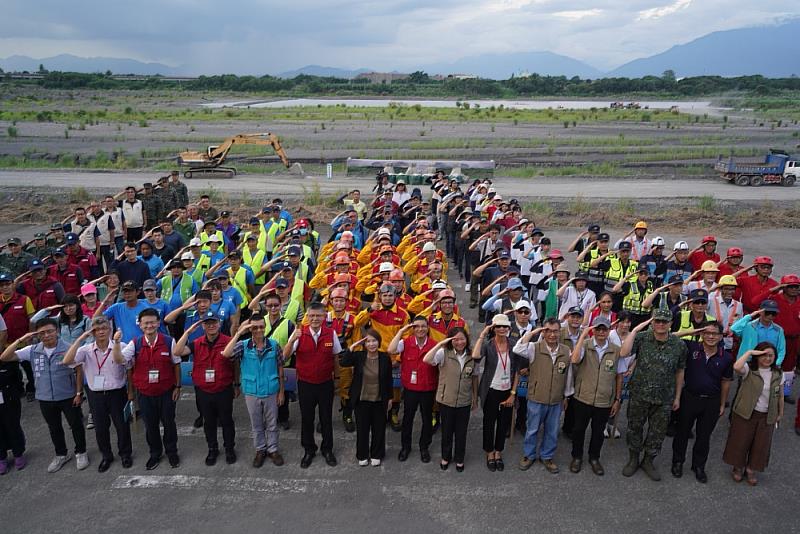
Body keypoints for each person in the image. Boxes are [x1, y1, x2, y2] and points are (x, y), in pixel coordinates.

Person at [0, 317, 88, 473]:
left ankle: (81, 452)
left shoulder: (67, 348)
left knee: (75, 425)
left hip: (68, 395)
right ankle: (61, 454)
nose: (46, 335)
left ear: (57, 331)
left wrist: (78, 392)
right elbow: (5, 357)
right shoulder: (33, 350)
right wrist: (22, 339)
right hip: (45, 397)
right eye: (42, 333)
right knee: (54, 428)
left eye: (50, 331)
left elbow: (79, 370)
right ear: (37, 335)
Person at [619, 309, 687, 481]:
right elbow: (623, 353)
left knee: (657, 433)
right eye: (657, 321)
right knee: (634, 427)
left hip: (664, 397)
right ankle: (634, 458)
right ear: (652, 322)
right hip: (639, 394)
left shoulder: (679, 345)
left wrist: (678, 397)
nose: (661, 324)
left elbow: (680, 371)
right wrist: (634, 331)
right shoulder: (642, 338)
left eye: (665, 321)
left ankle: (648, 460)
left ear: (671, 323)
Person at [113, 308, 181, 470]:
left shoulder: (168, 341)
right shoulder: (135, 343)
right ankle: (155, 453)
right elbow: (119, 360)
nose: (149, 325)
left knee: (169, 424)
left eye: (152, 322)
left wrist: (177, 386)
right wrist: (116, 343)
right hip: (144, 394)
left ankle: (172, 452)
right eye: (145, 323)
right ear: (140, 325)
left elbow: (176, 363)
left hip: (166, 392)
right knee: (150, 426)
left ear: (158, 323)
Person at [63, 316, 133, 472]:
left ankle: (125, 454)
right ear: (92, 332)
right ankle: (106, 456)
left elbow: (129, 370)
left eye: (104, 328)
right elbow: (67, 361)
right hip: (95, 395)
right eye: (97, 329)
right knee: (100, 428)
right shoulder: (85, 350)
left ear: (110, 330)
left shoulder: (121, 346)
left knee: (122, 426)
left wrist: (130, 392)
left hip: (117, 393)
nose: (101, 332)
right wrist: (81, 338)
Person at [669, 321, 733, 483]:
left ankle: (698, 466)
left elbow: (726, 381)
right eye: (707, 332)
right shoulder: (691, 348)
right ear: (702, 334)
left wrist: (722, 403)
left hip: (711, 401)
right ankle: (678, 461)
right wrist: (696, 330)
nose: (711, 336)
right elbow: (671, 336)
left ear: (721, 336)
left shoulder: (726, 357)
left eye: (715, 333)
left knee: (704, 436)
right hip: (689, 397)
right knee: (682, 432)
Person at [283, 302, 343, 468]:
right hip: (305, 384)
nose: (315, 319)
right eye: (312, 316)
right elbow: (284, 356)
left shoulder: (331, 334)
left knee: (326, 418)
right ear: (307, 317)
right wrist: (291, 341)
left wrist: (337, 379)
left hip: (325, 383)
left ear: (324, 317)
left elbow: (336, 358)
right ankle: (309, 449)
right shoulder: (299, 334)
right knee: (307, 418)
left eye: (318, 316)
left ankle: (327, 449)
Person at [175, 312, 238, 466]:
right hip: (203, 390)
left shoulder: (228, 342)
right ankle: (212, 448)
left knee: (226, 421)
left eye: (214, 323)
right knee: (208, 422)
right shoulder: (196, 343)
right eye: (207, 323)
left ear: (219, 323)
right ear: (202, 326)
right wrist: (188, 332)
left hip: (223, 389)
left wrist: (237, 384)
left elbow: (235, 364)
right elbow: (177, 352)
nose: (211, 326)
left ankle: (229, 448)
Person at [223, 317, 285, 468]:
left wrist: (281, 391)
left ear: (265, 327)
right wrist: (238, 333)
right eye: (255, 327)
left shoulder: (274, 345)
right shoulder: (243, 346)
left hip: (271, 390)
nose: (258, 330)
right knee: (256, 425)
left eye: (261, 327)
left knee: (272, 424)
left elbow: (280, 368)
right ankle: (260, 450)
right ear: (250, 329)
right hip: (252, 392)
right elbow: (226, 354)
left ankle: (273, 449)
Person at [569, 316, 625, 476]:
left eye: (604, 329)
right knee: (579, 429)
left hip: (604, 399)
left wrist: (617, 399)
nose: (601, 332)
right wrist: (582, 336)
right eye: (598, 329)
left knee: (598, 431)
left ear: (609, 331)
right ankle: (577, 457)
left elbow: (619, 375)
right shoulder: (585, 345)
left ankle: (594, 458)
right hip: (583, 396)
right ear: (592, 330)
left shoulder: (615, 349)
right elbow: (574, 359)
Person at [514, 319, 571, 474]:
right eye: (548, 331)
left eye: (555, 331)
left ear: (560, 332)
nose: (552, 334)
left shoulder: (566, 351)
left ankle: (547, 456)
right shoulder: (534, 348)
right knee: (532, 429)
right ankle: (529, 455)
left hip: (556, 399)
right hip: (536, 397)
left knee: (552, 431)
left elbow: (568, 375)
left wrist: (566, 396)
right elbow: (518, 348)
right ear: (543, 332)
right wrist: (533, 332)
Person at [722, 343, 784, 486]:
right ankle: (738, 467)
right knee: (740, 441)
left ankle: (751, 469)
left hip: (767, 415)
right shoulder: (749, 370)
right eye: (764, 355)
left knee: (761, 445)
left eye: (771, 355)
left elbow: (780, 395)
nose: (767, 358)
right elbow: (736, 367)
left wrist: (780, 413)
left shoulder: (778, 374)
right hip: (746, 412)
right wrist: (749, 352)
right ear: (757, 355)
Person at [423, 327, 477, 472]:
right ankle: (445, 457)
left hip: (464, 400)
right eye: (456, 339)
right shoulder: (443, 353)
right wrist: (440, 345)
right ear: (450, 340)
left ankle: (459, 459)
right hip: (446, 399)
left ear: (467, 339)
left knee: (461, 432)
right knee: (446, 432)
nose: (459, 342)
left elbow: (474, 378)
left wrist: (474, 397)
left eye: (462, 339)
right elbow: (427, 359)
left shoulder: (472, 355)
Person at [388, 316, 437, 463]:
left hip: (428, 388)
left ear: (428, 328)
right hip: (410, 389)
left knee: (427, 420)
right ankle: (405, 447)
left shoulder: (435, 345)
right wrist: (402, 330)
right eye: (417, 326)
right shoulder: (406, 342)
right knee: (408, 419)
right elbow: (391, 349)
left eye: (423, 326)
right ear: (412, 328)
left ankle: (424, 447)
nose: (420, 329)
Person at [340, 330, 393, 466]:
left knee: (379, 429)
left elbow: (388, 380)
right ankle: (362, 454)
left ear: (379, 342)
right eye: (368, 341)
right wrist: (352, 347)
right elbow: (344, 363)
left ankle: (377, 454)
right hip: (361, 399)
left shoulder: (385, 358)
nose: (371, 344)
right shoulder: (358, 356)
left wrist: (390, 398)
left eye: (374, 341)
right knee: (362, 429)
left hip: (379, 399)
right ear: (364, 343)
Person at [473, 314, 519, 472]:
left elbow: (518, 371)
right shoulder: (488, 345)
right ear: (493, 328)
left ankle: (498, 452)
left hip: (507, 390)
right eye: (498, 326)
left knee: (503, 423)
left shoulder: (513, 344)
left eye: (504, 326)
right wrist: (482, 334)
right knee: (489, 423)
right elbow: (475, 356)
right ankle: (489, 452)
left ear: (509, 328)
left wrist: (513, 393)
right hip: (491, 389)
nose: (502, 329)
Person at [0, 314, 27, 473]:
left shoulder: (8, 359)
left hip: (9, 398)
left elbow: (17, 380)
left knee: (12, 425)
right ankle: (1, 457)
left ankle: (18, 454)